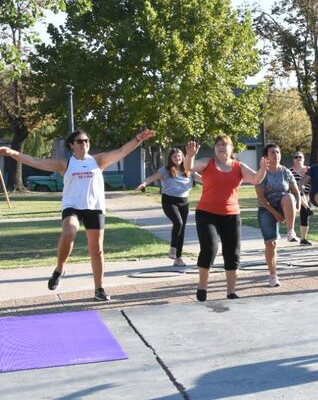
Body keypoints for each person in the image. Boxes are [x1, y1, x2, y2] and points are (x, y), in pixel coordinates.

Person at [1, 129, 155, 301]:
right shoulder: (65, 164)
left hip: (94, 208)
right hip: (72, 206)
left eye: (87, 141)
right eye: (80, 141)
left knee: (96, 250)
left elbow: (121, 151)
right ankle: (60, 269)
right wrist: (12, 153)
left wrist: (138, 138)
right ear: (72, 145)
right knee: (69, 231)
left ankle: (99, 289)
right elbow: (36, 162)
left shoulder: (98, 161)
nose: (84, 144)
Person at [186, 136, 267, 301]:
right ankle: (202, 287)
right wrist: (190, 155)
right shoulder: (207, 163)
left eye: (224, 144)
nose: (221, 147)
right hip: (206, 213)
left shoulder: (239, 166)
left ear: (232, 148)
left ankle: (231, 291)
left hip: (231, 215)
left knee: (232, 253)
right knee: (209, 248)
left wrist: (263, 168)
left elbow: (256, 179)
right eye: (218, 145)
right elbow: (189, 168)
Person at [136, 146, 194, 267]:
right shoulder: (165, 170)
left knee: (182, 229)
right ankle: (173, 248)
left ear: (182, 157)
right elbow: (152, 177)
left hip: (184, 202)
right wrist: (144, 183)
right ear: (170, 158)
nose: (177, 158)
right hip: (169, 201)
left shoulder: (188, 169)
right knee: (178, 223)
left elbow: (202, 178)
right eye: (174, 156)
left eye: (179, 156)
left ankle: (178, 258)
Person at [255, 143, 301, 288]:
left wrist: (298, 206)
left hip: (284, 204)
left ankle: (290, 231)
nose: (276, 155)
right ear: (266, 157)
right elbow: (261, 198)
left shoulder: (286, 171)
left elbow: (295, 192)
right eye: (272, 153)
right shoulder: (263, 173)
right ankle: (273, 275)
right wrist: (275, 214)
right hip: (266, 208)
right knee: (271, 244)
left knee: (289, 198)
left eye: (278, 152)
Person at [289, 151, 315, 245]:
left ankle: (303, 239)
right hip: (294, 196)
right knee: (298, 190)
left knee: (305, 216)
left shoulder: (309, 169)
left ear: (304, 158)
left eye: (300, 157)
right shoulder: (289, 171)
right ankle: (307, 207)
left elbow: (313, 183)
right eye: (296, 157)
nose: (298, 158)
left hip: (307, 196)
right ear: (293, 159)